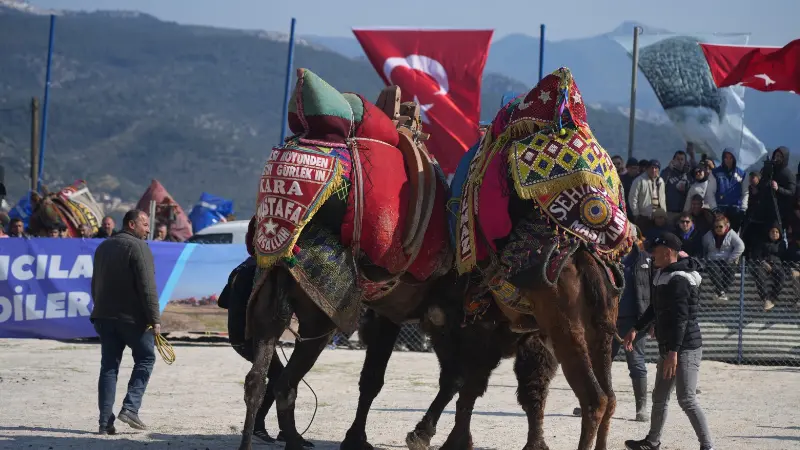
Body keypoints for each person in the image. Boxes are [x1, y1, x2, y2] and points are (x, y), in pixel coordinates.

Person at [623, 232, 714, 450]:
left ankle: (708, 446)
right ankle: (652, 441)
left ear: (668, 252)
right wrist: (635, 328)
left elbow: (681, 319)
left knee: (686, 399)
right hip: (670, 347)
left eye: (655, 251)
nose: (652, 255)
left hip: (684, 347)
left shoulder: (680, 278)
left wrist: (674, 353)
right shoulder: (664, 274)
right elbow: (655, 308)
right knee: (660, 397)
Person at [573, 225, 653, 421]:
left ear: (633, 239)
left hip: (635, 322)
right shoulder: (604, 259)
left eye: (624, 236)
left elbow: (653, 293)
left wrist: (652, 322)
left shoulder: (645, 260)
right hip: (608, 320)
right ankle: (593, 403)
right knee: (598, 362)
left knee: (636, 363)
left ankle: (641, 408)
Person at [90, 209, 159, 435]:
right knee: (147, 357)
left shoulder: (103, 247)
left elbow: (95, 285)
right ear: (131, 224)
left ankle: (104, 422)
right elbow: (148, 288)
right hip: (130, 318)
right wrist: (155, 319)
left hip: (103, 316)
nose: (149, 229)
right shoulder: (139, 247)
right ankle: (130, 408)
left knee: (109, 367)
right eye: (145, 224)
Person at [702, 215, 745, 302]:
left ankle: (719, 292)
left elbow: (740, 246)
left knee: (731, 270)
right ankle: (722, 292)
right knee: (713, 269)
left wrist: (731, 258)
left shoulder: (731, 233)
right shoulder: (708, 235)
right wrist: (705, 258)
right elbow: (704, 247)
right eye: (716, 227)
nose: (718, 228)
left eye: (720, 226)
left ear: (726, 226)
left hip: (727, 259)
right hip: (712, 260)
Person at [707, 149, 748, 231]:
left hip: (735, 211)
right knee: (719, 235)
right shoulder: (715, 172)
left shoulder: (742, 174)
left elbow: (745, 193)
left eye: (731, 158)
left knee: (733, 236)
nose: (728, 160)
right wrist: (714, 209)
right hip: (720, 210)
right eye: (726, 158)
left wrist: (743, 209)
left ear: (734, 159)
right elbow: (710, 192)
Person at [751, 223, 787, 311]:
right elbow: (756, 255)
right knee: (759, 275)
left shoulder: (782, 244)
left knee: (782, 277)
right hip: (763, 264)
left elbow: (784, 257)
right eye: (772, 232)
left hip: (777, 265)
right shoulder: (762, 242)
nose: (774, 233)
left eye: (776, 232)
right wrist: (763, 262)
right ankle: (765, 298)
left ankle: (771, 299)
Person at [629, 159, 666, 233]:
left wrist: (664, 213)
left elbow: (662, 199)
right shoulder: (639, 180)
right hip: (643, 216)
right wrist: (636, 214)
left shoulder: (660, 181)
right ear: (647, 169)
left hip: (657, 217)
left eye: (656, 168)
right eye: (652, 167)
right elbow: (632, 198)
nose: (654, 170)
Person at [661, 151, 691, 223]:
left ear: (685, 162)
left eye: (682, 159)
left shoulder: (688, 174)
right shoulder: (667, 172)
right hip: (670, 212)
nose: (680, 161)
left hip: (684, 213)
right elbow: (660, 184)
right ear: (673, 160)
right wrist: (669, 169)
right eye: (678, 159)